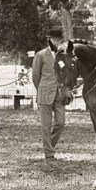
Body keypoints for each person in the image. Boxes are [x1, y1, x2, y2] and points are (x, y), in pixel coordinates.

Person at [32, 28, 66, 163]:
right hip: (45, 92)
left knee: (61, 122)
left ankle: (49, 146)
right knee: (46, 125)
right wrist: (40, 90)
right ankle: (49, 154)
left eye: (58, 40)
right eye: (54, 39)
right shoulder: (40, 55)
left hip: (60, 93)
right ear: (49, 40)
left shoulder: (64, 55)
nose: (56, 42)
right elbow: (35, 76)